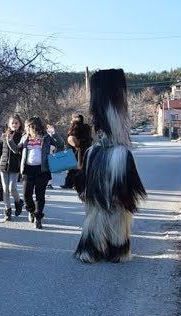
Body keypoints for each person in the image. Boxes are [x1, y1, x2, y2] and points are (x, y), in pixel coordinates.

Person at [74, 69, 146, 263]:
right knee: (116, 206)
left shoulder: (94, 152)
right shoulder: (118, 151)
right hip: (113, 153)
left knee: (98, 207)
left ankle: (93, 249)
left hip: (103, 153)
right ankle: (116, 249)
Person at [18, 116, 61, 229]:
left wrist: (54, 134)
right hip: (27, 169)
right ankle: (31, 210)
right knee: (27, 195)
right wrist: (9, 141)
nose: (26, 128)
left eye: (27, 126)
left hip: (42, 170)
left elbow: (60, 144)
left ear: (33, 127)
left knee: (39, 195)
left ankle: (38, 218)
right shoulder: (25, 138)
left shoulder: (46, 137)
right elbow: (16, 150)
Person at [0, 113, 24, 221]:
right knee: (5, 189)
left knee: (12, 188)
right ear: (9, 124)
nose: (14, 125)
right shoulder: (3, 136)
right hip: (3, 166)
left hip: (15, 167)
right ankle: (7, 210)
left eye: (16, 123)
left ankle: (18, 202)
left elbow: (20, 152)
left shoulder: (22, 136)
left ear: (20, 124)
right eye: (12, 123)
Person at [60, 114, 92, 189]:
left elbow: (87, 139)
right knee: (72, 168)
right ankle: (69, 184)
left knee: (79, 168)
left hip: (80, 150)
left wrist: (78, 143)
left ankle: (77, 184)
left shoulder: (83, 127)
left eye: (75, 118)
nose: (73, 119)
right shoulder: (73, 126)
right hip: (73, 149)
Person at [45, 123, 65, 190]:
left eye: (51, 127)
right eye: (48, 127)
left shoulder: (55, 135)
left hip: (51, 155)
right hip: (43, 155)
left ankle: (49, 183)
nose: (50, 129)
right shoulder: (43, 134)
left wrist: (54, 133)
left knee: (49, 170)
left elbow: (61, 143)